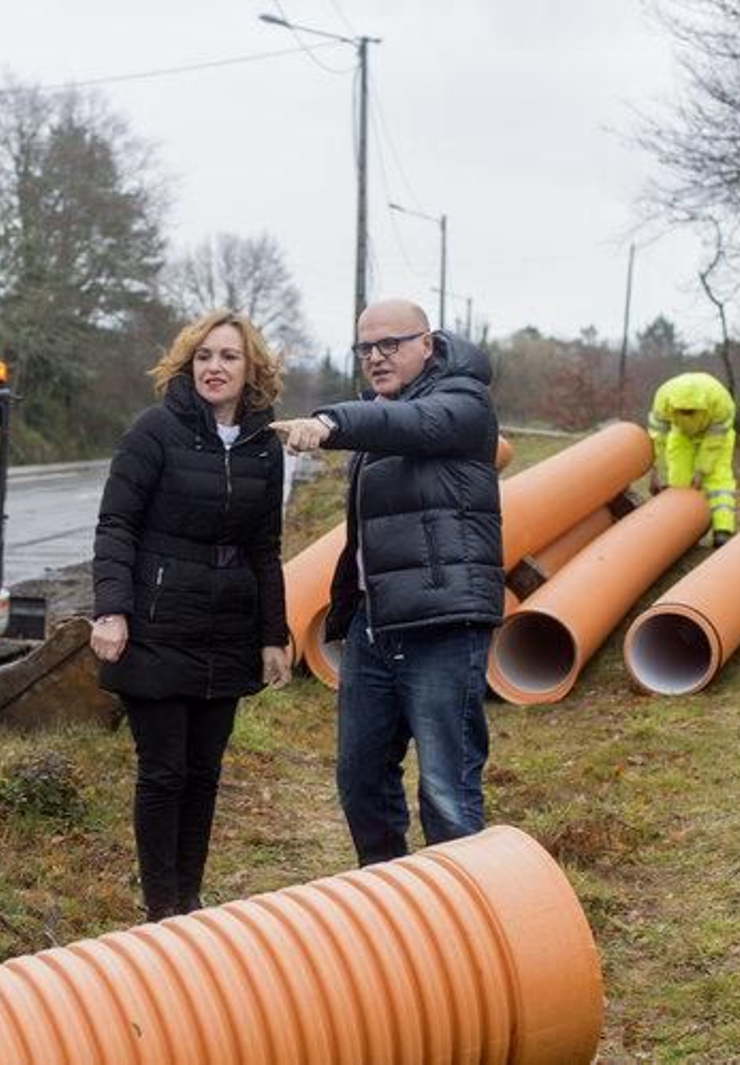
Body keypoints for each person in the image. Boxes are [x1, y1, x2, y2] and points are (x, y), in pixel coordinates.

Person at [271, 298, 504, 866]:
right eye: (365, 348)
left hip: (443, 624)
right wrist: (346, 607)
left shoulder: (463, 401)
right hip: (377, 629)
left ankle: (466, 921)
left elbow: (410, 426)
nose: (376, 358)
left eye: (390, 345)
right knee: (361, 783)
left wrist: (329, 423)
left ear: (428, 343)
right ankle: (393, 914)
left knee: (447, 793)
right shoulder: (384, 411)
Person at [90, 309, 292, 921]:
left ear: (250, 367)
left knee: (205, 772)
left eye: (228, 356)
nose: (215, 367)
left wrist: (272, 635)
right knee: (165, 772)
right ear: (187, 366)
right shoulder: (154, 432)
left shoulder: (263, 445)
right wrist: (112, 611)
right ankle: (160, 910)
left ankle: (190, 900)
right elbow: (116, 525)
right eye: (203, 356)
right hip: (156, 625)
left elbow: (266, 548)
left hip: (227, 630)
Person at [647, 371, 738, 546]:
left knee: (718, 479)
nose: (685, 414)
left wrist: (700, 470)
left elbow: (714, 442)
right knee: (678, 480)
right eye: (681, 411)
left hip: (714, 437)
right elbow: (659, 438)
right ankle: (683, 529)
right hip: (681, 435)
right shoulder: (663, 398)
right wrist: (657, 469)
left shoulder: (721, 401)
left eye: (690, 412)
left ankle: (722, 530)